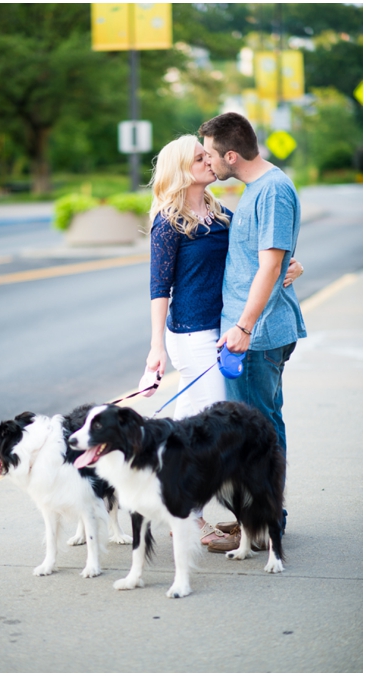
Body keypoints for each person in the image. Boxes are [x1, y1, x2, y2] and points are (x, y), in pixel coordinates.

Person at [145, 133, 303, 547]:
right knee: (213, 429)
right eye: (200, 158)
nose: (209, 163)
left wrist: (289, 265)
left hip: (222, 330)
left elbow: (255, 258)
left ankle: (162, 499)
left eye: (208, 155)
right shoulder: (168, 221)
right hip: (192, 335)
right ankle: (191, 516)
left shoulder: (220, 214)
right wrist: (156, 347)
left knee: (184, 426)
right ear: (182, 168)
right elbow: (159, 288)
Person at [199, 112, 307, 547]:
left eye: (209, 153)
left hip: (258, 336)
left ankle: (264, 524)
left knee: (259, 430)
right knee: (257, 427)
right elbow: (273, 259)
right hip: (251, 332)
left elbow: (269, 264)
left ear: (230, 154)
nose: (207, 162)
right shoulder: (258, 189)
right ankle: (259, 518)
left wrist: (243, 327)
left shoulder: (273, 190)